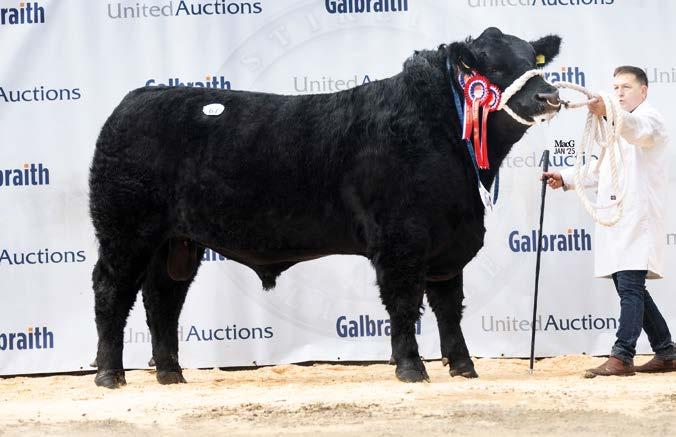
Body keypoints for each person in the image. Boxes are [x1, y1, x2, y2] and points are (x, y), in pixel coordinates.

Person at [542, 66, 675, 377]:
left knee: (630, 287)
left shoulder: (649, 119)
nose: (619, 93)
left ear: (643, 91)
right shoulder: (615, 125)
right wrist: (566, 177)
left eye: (626, 87)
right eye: (615, 88)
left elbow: (636, 130)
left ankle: (622, 355)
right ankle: (666, 352)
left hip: (638, 219)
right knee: (630, 287)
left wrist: (608, 112)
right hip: (617, 220)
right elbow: (599, 168)